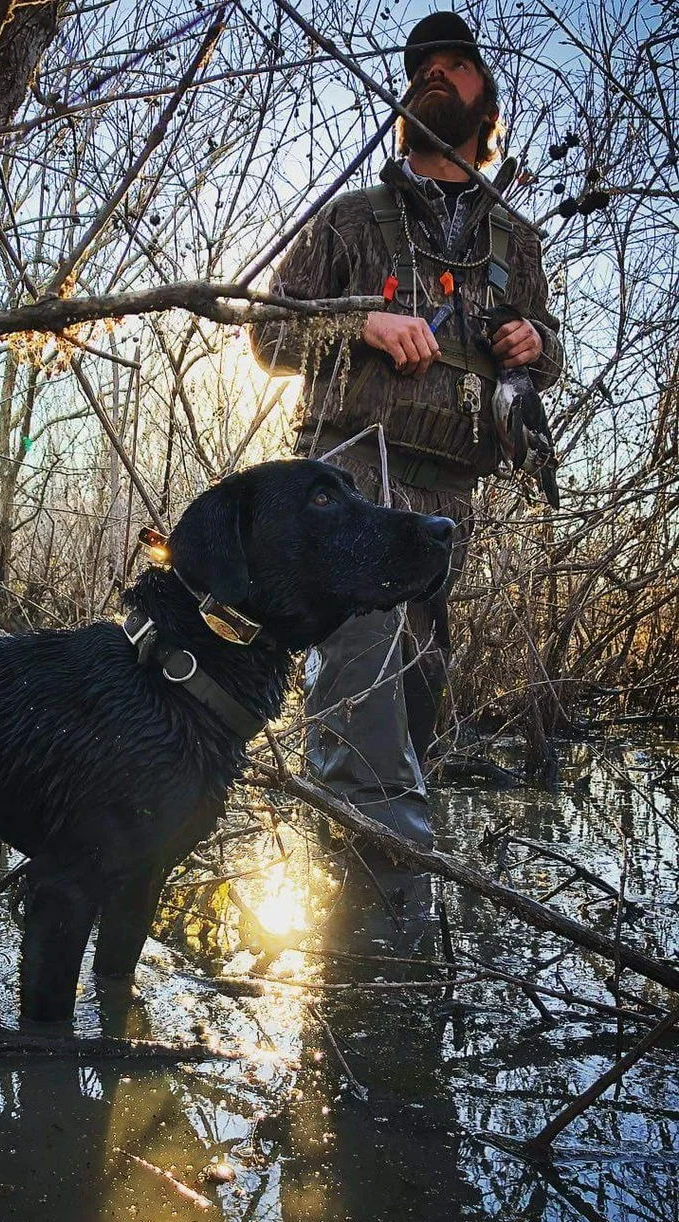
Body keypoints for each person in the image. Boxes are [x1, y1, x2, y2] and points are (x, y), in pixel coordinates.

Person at [250, 11, 563, 856]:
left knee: (416, 696)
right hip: (348, 482)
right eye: (423, 65)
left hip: (447, 498)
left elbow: (544, 360)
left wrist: (536, 345)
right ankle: (377, 921)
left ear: (485, 102)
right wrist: (362, 322)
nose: (435, 73)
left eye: (456, 65)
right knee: (359, 689)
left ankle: (374, 888)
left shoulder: (516, 239)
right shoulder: (350, 217)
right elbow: (267, 334)